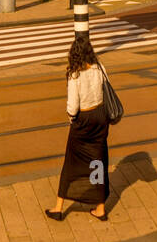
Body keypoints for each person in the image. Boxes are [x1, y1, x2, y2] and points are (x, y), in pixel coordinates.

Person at [46, 36, 110, 222]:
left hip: (84, 119)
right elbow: (105, 91)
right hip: (100, 118)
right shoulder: (100, 68)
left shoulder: (75, 74)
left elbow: (73, 106)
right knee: (97, 161)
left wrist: (72, 118)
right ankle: (100, 208)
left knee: (71, 163)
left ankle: (58, 208)